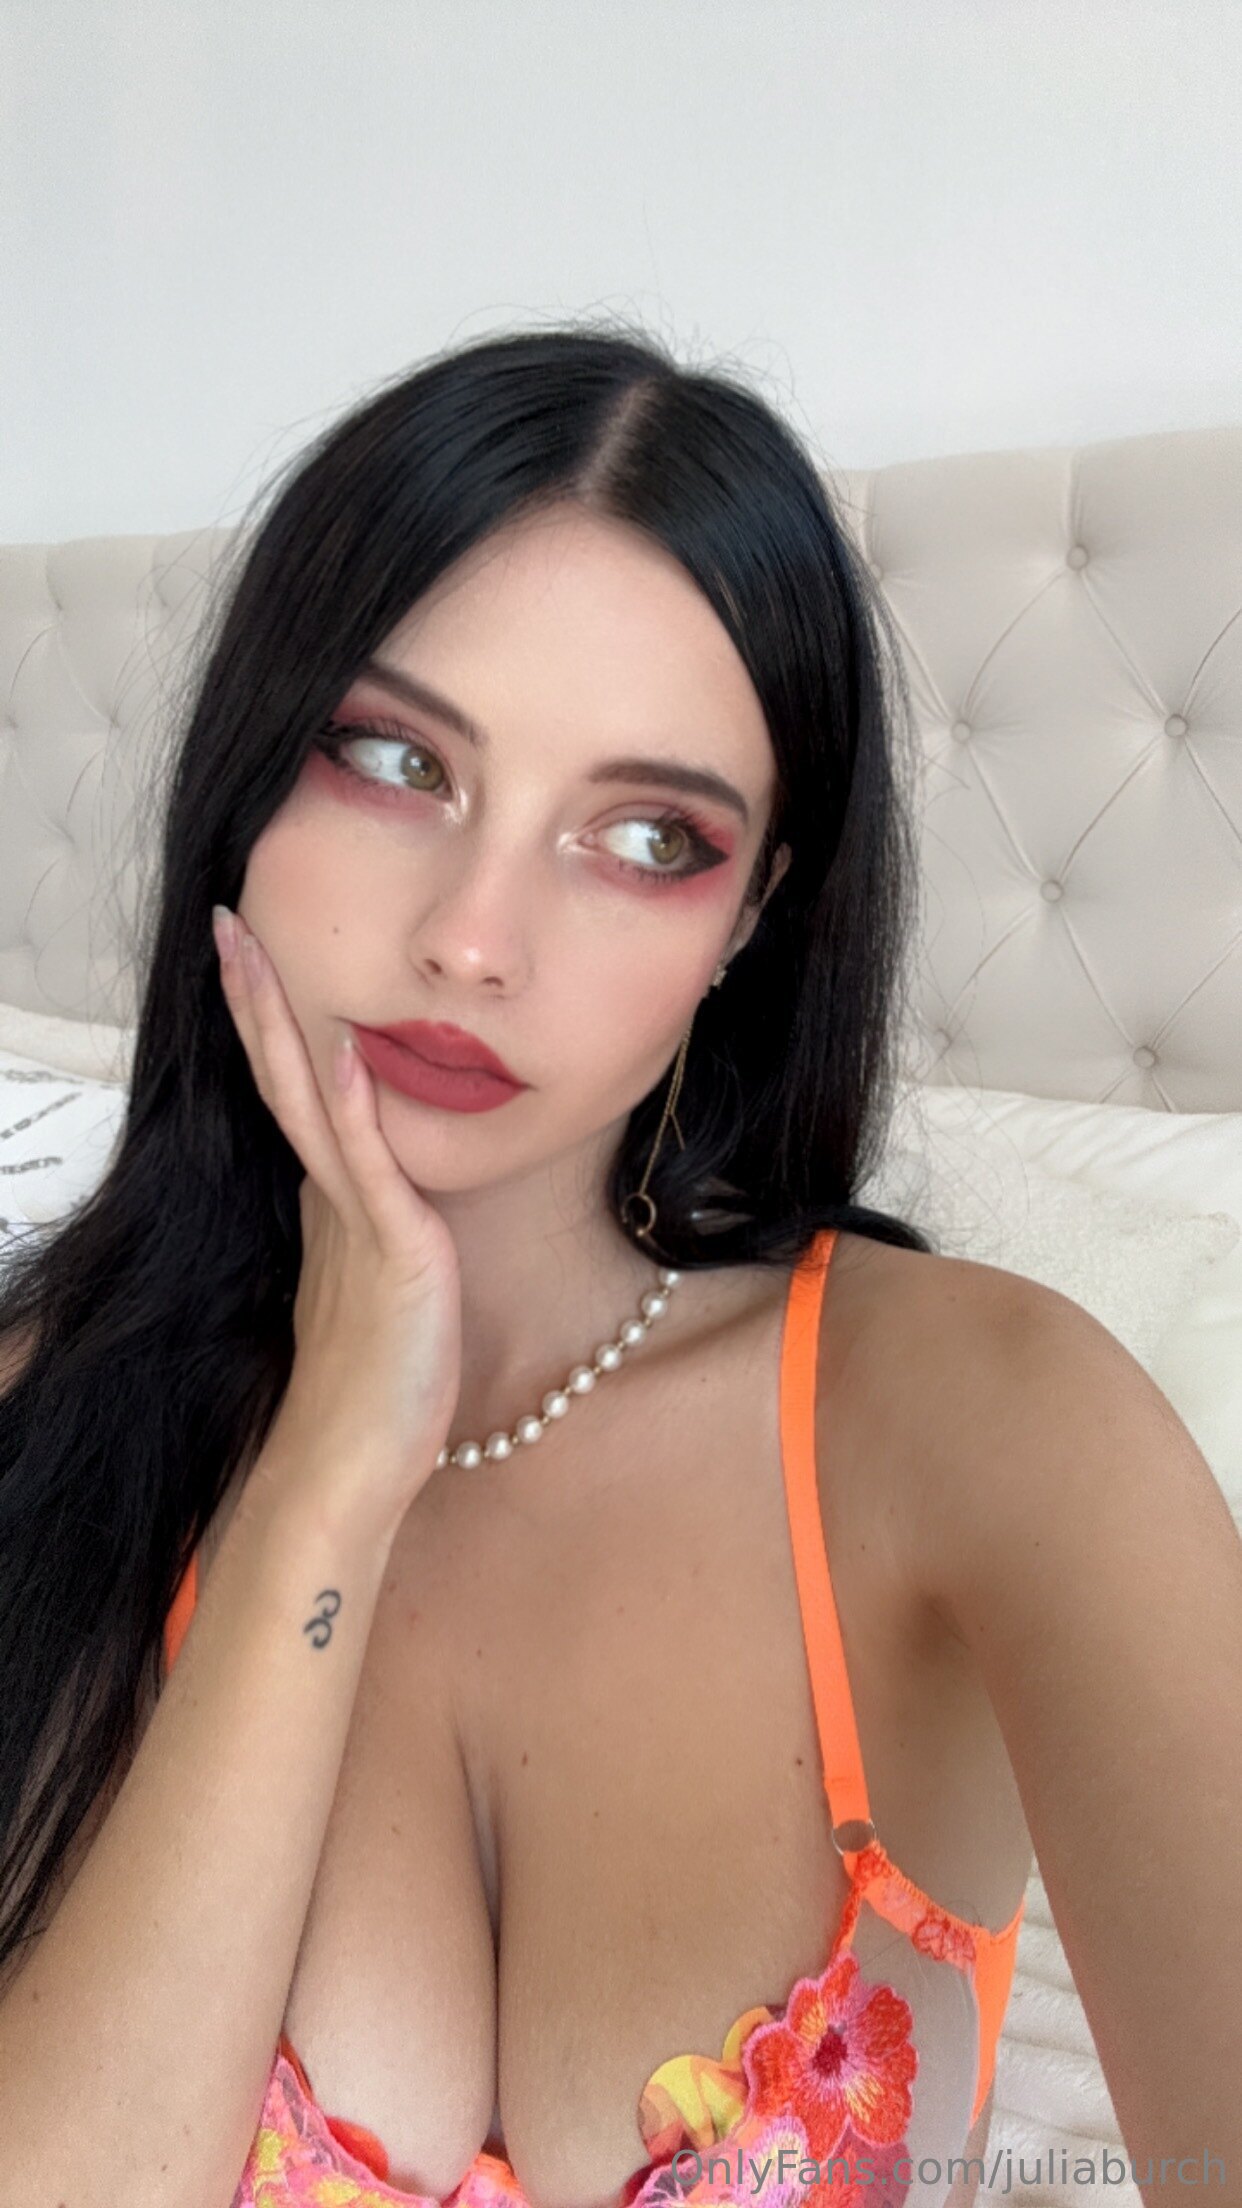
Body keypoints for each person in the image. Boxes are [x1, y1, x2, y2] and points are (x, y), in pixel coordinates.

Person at [0, 324, 1238, 2208]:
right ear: (252, 773)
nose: (473, 939)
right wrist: (328, 1473)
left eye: (648, 837)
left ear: (751, 919)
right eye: (395, 759)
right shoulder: (47, 1410)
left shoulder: (995, 1427)